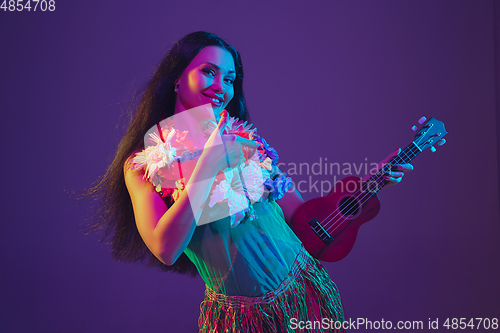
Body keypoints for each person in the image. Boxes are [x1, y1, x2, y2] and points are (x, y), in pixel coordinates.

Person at [86, 31, 412, 333]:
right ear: (176, 77)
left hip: (305, 298)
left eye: (229, 78)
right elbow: (166, 248)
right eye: (208, 72)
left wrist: (370, 185)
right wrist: (210, 162)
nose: (221, 86)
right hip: (239, 321)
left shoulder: (246, 143)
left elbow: (304, 220)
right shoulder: (144, 163)